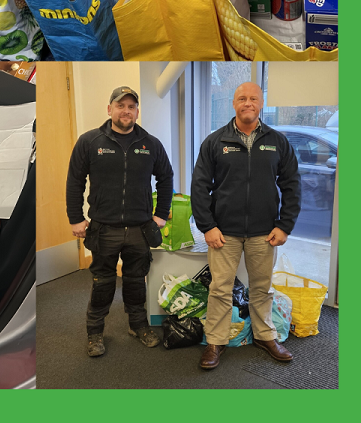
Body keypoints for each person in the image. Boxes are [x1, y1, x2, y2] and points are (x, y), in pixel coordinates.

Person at [191, 82, 301, 370]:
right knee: (219, 288)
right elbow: (200, 187)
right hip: (223, 233)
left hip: (264, 233)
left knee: (262, 288)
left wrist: (285, 225)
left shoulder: (278, 142)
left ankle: (266, 336)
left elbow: (292, 186)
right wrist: (207, 225)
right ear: (234, 103)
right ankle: (215, 341)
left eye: (253, 98)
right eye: (242, 98)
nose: (247, 102)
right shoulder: (215, 142)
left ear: (261, 102)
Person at [66, 86, 173, 357]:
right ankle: (94, 333)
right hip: (104, 228)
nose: (126, 111)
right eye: (120, 105)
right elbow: (75, 182)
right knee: (102, 283)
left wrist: (161, 213)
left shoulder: (151, 144)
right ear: (109, 109)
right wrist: (76, 218)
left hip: (140, 228)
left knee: (136, 281)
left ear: (137, 111)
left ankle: (138, 326)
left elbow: (166, 178)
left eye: (131, 106)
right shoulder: (90, 142)